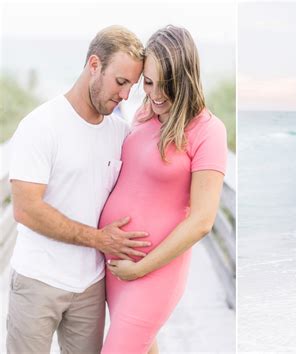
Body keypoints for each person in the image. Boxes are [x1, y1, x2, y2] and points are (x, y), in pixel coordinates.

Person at [7, 26, 150, 353]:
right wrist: (98, 239)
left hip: (91, 286)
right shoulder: (41, 126)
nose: (126, 95)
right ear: (94, 65)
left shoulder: (120, 133)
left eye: (132, 86)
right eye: (121, 82)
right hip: (37, 281)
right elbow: (25, 209)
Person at [99, 25, 227, 354]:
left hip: (153, 272)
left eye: (166, 85)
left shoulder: (208, 131)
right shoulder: (144, 115)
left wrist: (140, 268)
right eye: (149, 82)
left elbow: (202, 221)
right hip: (116, 264)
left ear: (186, 78)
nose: (156, 94)